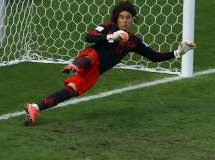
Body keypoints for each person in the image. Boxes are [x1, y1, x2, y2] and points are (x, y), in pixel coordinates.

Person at [23, 0, 195, 126]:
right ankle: (75, 64)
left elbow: (155, 57)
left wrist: (179, 52)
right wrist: (111, 36)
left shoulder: (134, 41)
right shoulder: (107, 27)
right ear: (117, 18)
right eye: (122, 17)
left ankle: (35, 108)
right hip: (89, 57)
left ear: (133, 20)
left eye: (128, 17)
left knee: (70, 91)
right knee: (92, 55)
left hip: (95, 72)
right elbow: (88, 37)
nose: (125, 20)